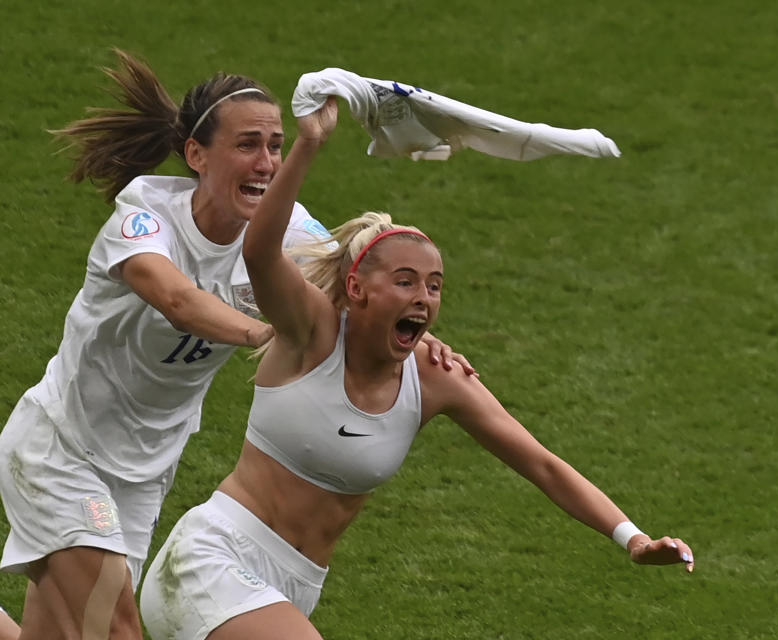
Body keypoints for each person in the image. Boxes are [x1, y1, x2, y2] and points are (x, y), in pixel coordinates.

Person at [139, 96, 695, 640]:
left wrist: (632, 538)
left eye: (433, 286)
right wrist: (307, 144)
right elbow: (261, 254)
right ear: (356, 288)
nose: (423, 297)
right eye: (404, 281)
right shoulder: (310, 331)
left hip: (294, 587)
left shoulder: (435, 378)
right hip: (212, 560)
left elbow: (542, 464)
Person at [0, 51, 466, 640]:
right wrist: (262, 330)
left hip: (144, 473)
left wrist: (425, 335)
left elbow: (359, 290)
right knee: (115, 630)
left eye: (275, 144)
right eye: (248, 144)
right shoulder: (143, 217)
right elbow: (176, 299)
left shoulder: (289, 229)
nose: (266, 162)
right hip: (60, 451)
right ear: (196, 154)